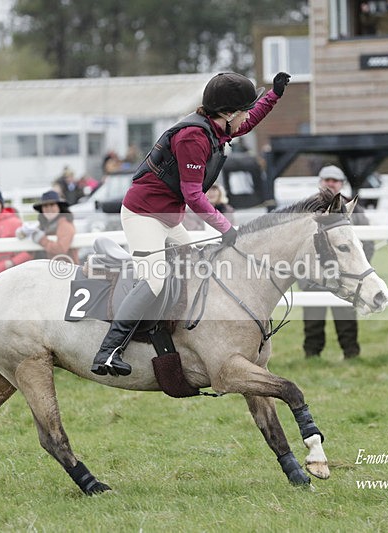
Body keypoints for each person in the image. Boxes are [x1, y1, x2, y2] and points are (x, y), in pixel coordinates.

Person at [90, 70, 291, 377]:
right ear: (227, 113)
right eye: (244, 109)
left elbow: (247, 123)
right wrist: (227, 229)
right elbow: (193, 195)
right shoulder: (193, 137)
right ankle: (108, 351)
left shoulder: (216, 127)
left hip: (168, 218)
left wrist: (273, 97)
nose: (246, 116)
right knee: (155, 280)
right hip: (143, 215)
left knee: (198, 269)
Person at [301, 165, 374, 360]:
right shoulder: (308, 209)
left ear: (342, 184)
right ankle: (312, 355)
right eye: (327, 180)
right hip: (315, 276)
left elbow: (366, 243)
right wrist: (304, 276)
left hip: (346, 275)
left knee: (346, 316)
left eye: (335, 181)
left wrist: (357, 271)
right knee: (313, 318)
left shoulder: (354, 210)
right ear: (320, 182)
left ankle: (351, 353)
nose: (331, 184)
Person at [18, 190, 79, 264]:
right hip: (47, 268)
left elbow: (60, 249)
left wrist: (41, 239)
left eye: (52, 205)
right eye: (45, 206)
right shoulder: (43, 225)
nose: (49, 208)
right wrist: (25, 234)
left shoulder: (65, 224)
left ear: (59, 207)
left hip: (64, 269)